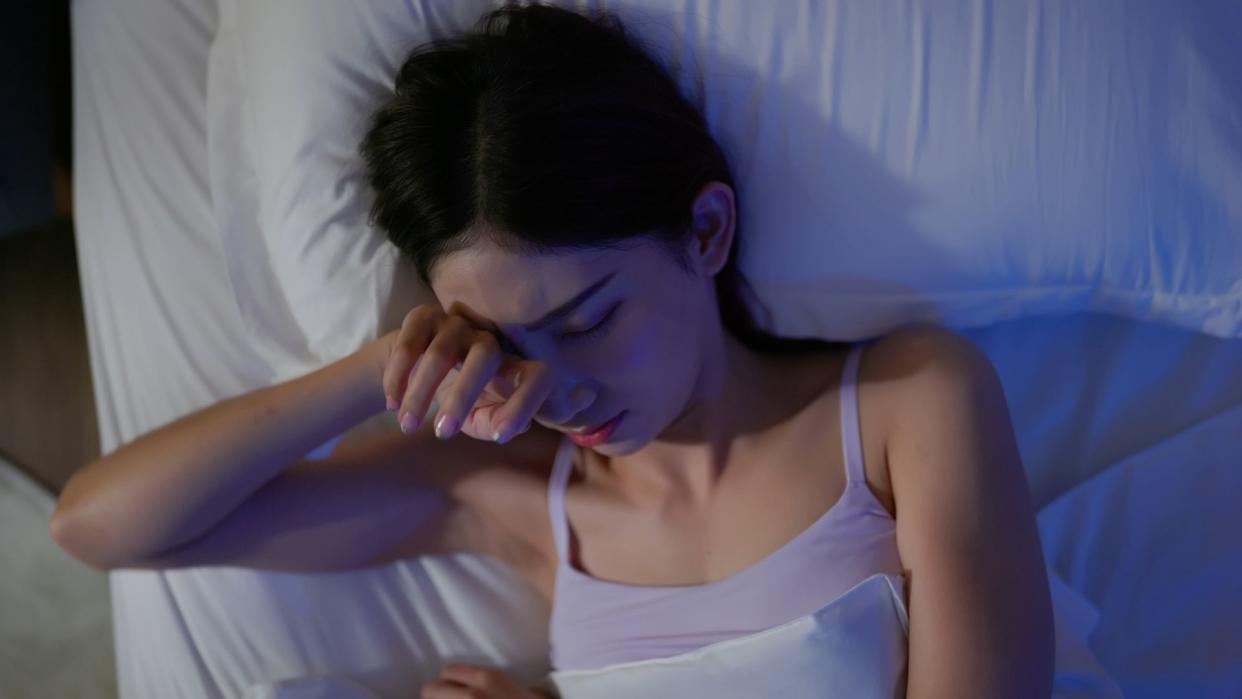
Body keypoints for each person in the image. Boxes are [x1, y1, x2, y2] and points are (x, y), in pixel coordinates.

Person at [50, 3, 1054, 697]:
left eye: (586, 318)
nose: (553, 386)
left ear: (706, 231)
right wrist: (381, 366)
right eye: (494, 340)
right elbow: (101, 528)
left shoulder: (909, 405)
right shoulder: (514, 496)